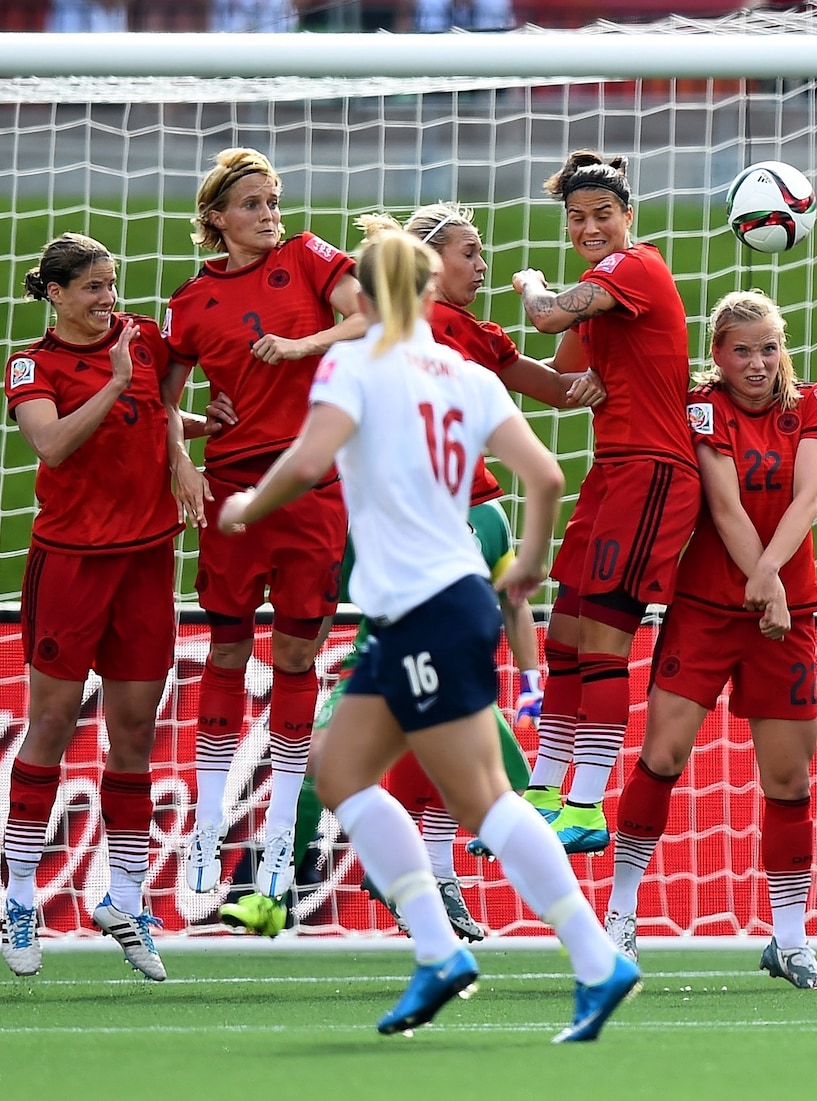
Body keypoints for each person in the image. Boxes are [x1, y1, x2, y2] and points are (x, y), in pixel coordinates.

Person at [216, 228, 638, 1040]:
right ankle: (440, 951)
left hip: (425, 609)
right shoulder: (467, 373)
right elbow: (546, 474)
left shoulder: (357, 363)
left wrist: (244, 507)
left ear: (372, 299)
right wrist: (530, 562)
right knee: (341, 772)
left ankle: (594, 957)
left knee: (482, 799)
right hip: (436, 605)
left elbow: (307, 464)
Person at [289, 205, 608, 940]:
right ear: (430, 264)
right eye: (469, 252)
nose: (481, 263)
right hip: (416, 530)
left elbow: (562, 391)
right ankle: (398, 858)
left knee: (431, 696)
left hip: (476, 515)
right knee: (437, 706)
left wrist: (620, 346)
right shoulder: (392, 336)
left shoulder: (480, 339)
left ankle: (429, 876)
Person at [605, 291, 817, 988]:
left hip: (785, 613)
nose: (757, 362)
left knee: (788, 778)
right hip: (710, 608)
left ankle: (793, 940)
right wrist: (764, 581)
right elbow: (722, 504)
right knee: (662, 754)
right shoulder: (702, 406)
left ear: (784, 347)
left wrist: (771, 581)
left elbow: (809, 499)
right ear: (716, 354)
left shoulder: (813, 405)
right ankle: (620, 918)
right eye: (741, 349)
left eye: (768, 347)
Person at [0, 234, 218, 981]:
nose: (107, 299)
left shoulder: (145, 342)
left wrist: (187, 442)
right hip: (69, 564)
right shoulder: (32, 365)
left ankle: (125, 900)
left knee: (134, 731)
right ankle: (21, 897)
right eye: (91, 288)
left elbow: (158, 411)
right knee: (53, 724)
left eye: (111, 284)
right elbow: (52, 444)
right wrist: (116, 380)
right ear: (55, 294)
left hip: (147, 561)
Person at [162, 148, 367, 929]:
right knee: (223, 648)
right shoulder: (189, 302)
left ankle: (282, 836)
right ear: (216, 217)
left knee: (294, 652)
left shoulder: (309, 255)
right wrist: (183, 451)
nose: (269, 213)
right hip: (234, 490)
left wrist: (302, 347)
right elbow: (164, 397)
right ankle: (207, 829)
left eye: (273, 199)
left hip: (313, 480)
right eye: (252, 203)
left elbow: (366, 317)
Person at [510, 150, 698, 855]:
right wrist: (472, 347)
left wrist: (530, 282)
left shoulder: (633, 268)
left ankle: (586, 804)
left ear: (628, 217)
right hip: (611, 471)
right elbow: (563, 384)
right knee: (564, 635)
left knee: (603, 640)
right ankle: (544, 790)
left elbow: (546, 316)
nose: (590, 227)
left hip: (654, 470)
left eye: (602, 215)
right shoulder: (602, 295)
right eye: (577, 218)